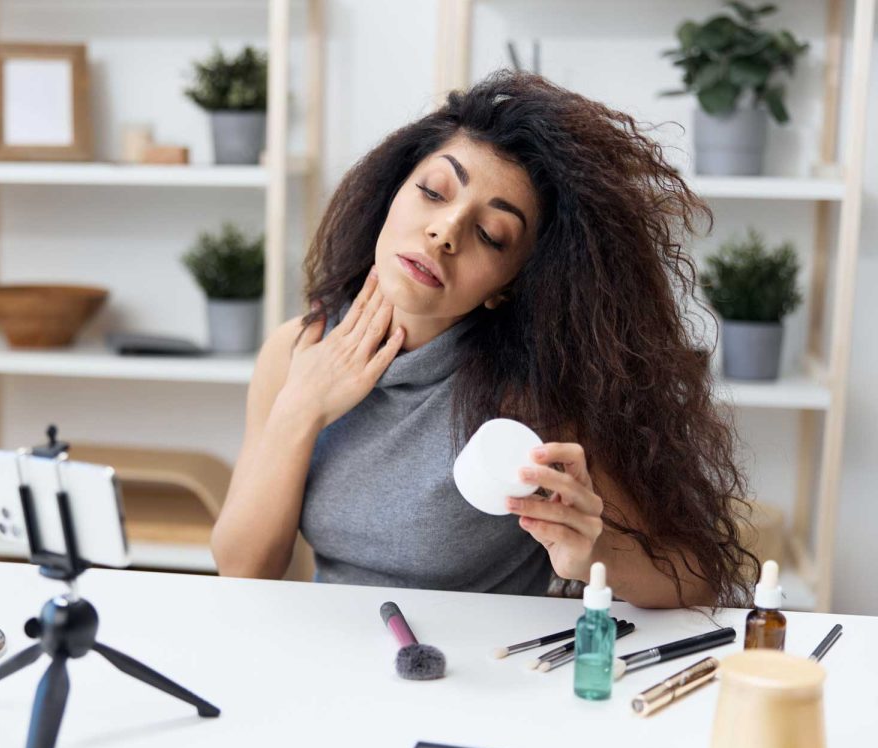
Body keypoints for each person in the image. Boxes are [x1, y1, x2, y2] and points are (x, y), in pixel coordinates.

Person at [210, 70, 758, 609]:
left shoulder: (533, 394)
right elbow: (243, 568)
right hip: (333, 664)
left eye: (491, 235)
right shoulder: (295, 352)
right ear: (391, 194)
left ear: (509, 285)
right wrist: (299, 408)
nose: (445, 231)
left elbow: (697, 580)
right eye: (432, 192)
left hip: (478, 680)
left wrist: (598, 553)